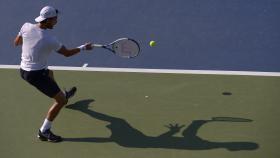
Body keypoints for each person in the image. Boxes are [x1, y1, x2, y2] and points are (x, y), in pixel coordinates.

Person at [14, 6, 93, 142]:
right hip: (35, 75)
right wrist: (83, 48)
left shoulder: (26, 26)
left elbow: (17, 42)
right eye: (55, 19)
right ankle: (44, 131)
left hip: (23, 69)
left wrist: (30, 43)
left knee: (49, 72)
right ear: (48, 20)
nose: (56, 21)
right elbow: (67, 53)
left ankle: (60, 94)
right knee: (61, 101)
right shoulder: (49, 39)